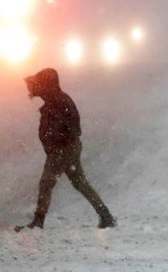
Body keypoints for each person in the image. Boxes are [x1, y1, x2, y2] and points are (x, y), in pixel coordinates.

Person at [14, 67, 116, 232]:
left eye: (40, 83)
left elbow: (71, 126)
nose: (34, 88)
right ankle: (105, 215)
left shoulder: (57, 101)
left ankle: (38, 222)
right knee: (80, 182)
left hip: (61, 150)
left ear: (47, 84)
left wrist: (59, 143)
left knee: (46, 183)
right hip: (68, 148)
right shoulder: (56, 99)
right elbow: (73, 127)